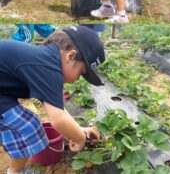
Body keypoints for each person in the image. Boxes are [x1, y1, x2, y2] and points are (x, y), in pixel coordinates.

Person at [0, 26, 105, 174]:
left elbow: (58, 109)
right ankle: (15, 172)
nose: (76, 79)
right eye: (81, 73)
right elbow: (58, 119)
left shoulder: (46, 60)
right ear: (70, 56)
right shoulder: (48, 68)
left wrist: (78, 130)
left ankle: (15, 171)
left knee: (25, 126)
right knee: (27, 125)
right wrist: (80, 138)